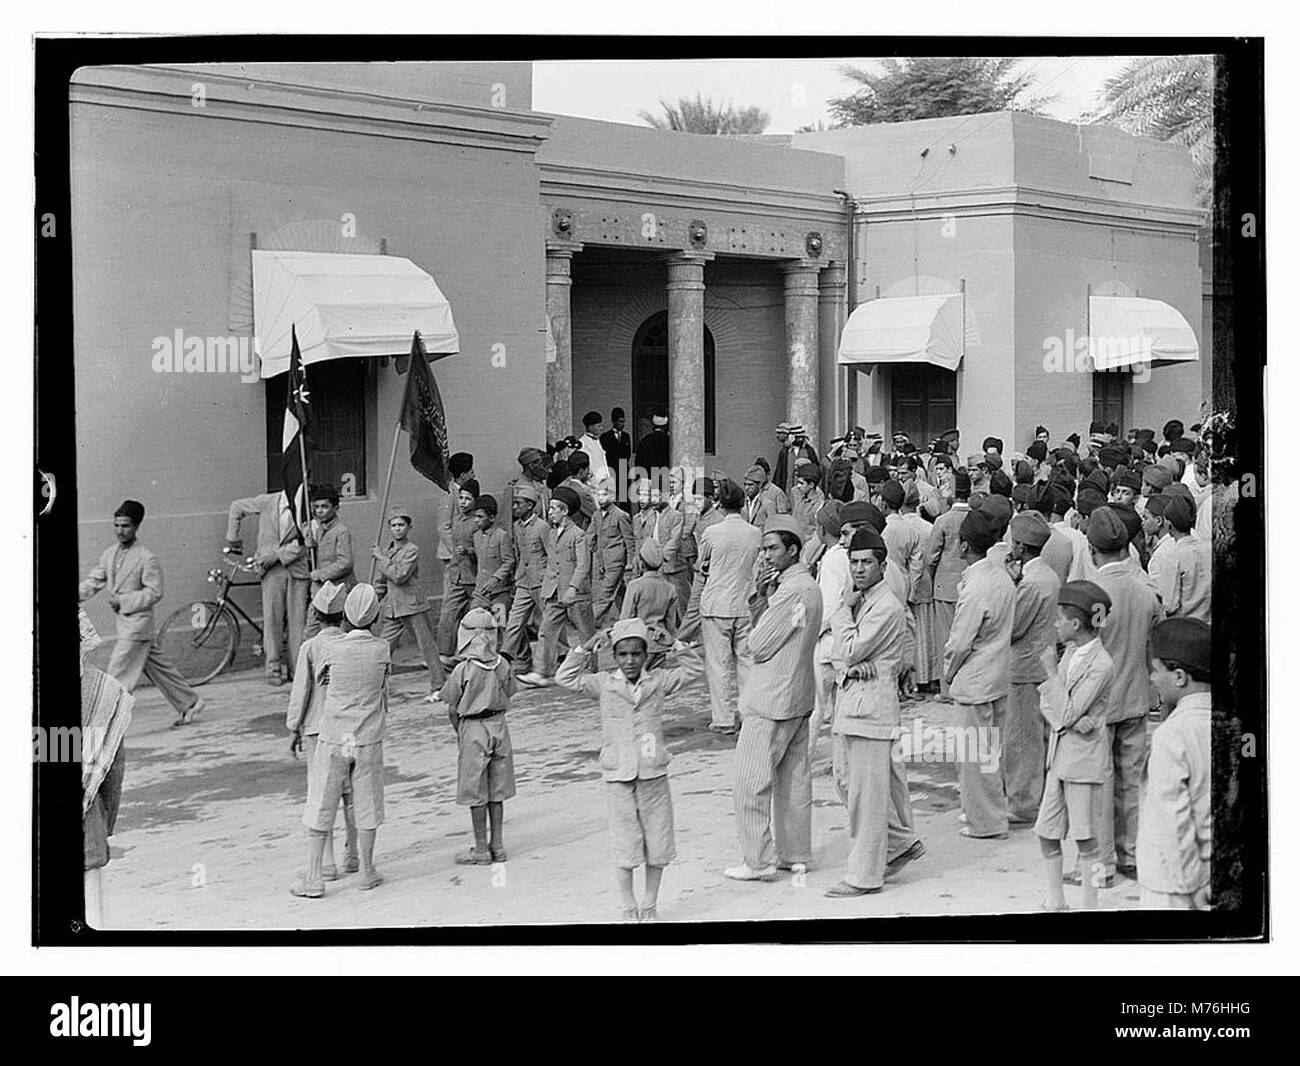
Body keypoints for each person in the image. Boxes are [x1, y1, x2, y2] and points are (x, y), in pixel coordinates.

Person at [556, 618, 704, 921]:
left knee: (658, 841)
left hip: (653, 773)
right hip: (618, 776)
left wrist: (674, 642)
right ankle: (628, 905)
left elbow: (696, 670)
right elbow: (565, 678)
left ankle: (649, 904)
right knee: (625, 844)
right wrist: (585, 647)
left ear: (646, 655)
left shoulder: (658, 681)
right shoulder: (604, 684)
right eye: (622, 654)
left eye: (636, 654)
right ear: (614, 656)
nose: (630, 661)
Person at [824, 526, 925, 897]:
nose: (859, 569)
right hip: (852, 703)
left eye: (867, 562)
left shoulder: (885, 605)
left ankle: (864, 875)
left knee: (864, 794)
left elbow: (848, 647)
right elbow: (843, 656)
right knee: (846, 781)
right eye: (854, 562)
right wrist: (847, 664)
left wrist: (842, 620)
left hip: (871, 711)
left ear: (883, 565)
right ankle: (899, 842)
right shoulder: (862, 601)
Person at [1069, 506, 1163, 888]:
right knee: (1131, 781)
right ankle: (1132, 856)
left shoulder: (1092, 596)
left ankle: (1099, 865)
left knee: (1095, 784)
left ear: (1092, 551)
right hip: (1137, 696)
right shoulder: (1145, 591)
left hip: (1098, 704)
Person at [725, 516, 823, 881]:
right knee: (794, 781)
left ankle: (758, 860)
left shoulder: (792, 590)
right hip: (798, 695)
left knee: (750, 782)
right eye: (764, 549)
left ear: (793, 549)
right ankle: (795, 853)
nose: (765, 556)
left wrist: (763, 602)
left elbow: (758, 645)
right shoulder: (805, 586)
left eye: (772, 549)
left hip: (772, 698)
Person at [291, 584, 390, 897]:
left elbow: (321, 681)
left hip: (335, 736)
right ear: (374, 618)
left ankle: (315, 875)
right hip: (367, 738)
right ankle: (366, 869)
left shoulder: (330, 649)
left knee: (322, 799)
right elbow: (385, 691)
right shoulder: (382, 649)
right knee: (366, 801)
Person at [80, 499, 205, 724]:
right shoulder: (110, 554)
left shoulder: (147, 558)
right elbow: (94, 580)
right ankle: (190, 703)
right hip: (127, 626)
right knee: (160, 669)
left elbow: (155, 593)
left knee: (118, 672)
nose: (120, 530)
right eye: (117, 525)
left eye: (126, 525)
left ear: (137, 527)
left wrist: (123, 601)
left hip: (137, 626)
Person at [1036, 580, 1115, 911]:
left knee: (1087, 839)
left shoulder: (1101, 664)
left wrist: (1052, 677)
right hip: (1060, 755)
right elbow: (1050, 707)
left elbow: (1064, 707)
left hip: (1083, 762)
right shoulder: (1070, 652)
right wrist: (1065, 719)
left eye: (1059, 619)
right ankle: (1056, 902)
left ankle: (1091, 906)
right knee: (1046, 832)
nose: (1055, 625)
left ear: (1076, 623)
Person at [942, 506, 1016, 839]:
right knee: (990, 753)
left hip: (974, 678)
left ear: (963, 545)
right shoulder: (1001, 576)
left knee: (973, 757)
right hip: (998, 673)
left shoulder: (976, 587)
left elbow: (959, 643)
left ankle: (984, 821)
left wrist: (948, 673)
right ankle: (990, 812)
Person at [1138, 618, 1212, 909]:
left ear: (1179, 676)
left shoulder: (1171, 734)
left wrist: (1191, 884)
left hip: (1173, 885)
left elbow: (1172, 818)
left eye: (1156, 671)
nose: (1152, 678)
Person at [286, 581, 356, 882]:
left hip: (318, 729)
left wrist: (294, 727)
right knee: (351, 792)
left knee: (321, 794)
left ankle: (326, 863)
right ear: (344, 615)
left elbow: (301, 691)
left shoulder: (310, 647)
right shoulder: (354, 644)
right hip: (351, 728)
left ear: (315, 613)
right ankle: (353, 853)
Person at [442, 607, 518, 865]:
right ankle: (498, 845)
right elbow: (510, 692)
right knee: (497, 790)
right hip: (499, 725)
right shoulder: (503, 665)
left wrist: (460, 734)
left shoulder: (462, 670)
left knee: (476, 791)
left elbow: (452, 707)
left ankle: (481, 848)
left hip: (472, 728)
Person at [1003, 511, 1061, 825]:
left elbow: (1012, 626)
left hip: (1023, 666)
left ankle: (1023, 802)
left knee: (1021, 738)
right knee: (1034, 736)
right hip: (1040, 662)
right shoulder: (1047, 575)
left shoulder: (1031, 583)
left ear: (1022, 547)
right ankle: (1030, 794)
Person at [225, 488, 309, 686]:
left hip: (296, 568)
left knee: (298, 621)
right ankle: (273, 668)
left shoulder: (307, 506)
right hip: (270, 571)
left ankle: (297, 670)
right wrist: (233, 539)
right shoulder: (267, 502)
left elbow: (308, 541)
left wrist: (278, 555)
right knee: (272, 619)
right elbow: (236, 507)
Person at [697, 479, 762, 735]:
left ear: (720, 505)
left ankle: (723, 718)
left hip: (716, 603)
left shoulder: (712, 533)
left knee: (718, 664)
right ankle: (748, 715)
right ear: (742, 503)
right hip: (745, 602)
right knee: (746, 662)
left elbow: (702, 564)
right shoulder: (755, 533)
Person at [519, 486, 593, 686]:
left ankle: (593, 671)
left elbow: (583, 565)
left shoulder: (578, 535)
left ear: (565, 511)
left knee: (586, 633)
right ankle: (541, 672)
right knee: (546, 630)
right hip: (554, 592)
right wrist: (546, 589)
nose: (549, 512)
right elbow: (552, 563)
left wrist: (573, 588)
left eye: (553, 508)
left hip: (575, 593)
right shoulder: (552, 534)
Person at [371, 505, 443, 701]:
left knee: (427, 646)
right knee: (382, 648)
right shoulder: (386, 551)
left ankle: (440, 685)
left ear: (409, 527)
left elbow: (399, 575)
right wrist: (371, 602)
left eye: (401, 525)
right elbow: (381, 581)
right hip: (393, 608)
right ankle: (373, 686)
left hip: (412, 605)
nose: (397, 528)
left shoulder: (412, 550)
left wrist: (380, 558)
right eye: (393, 525)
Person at [925, 470, 972, 701]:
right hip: (969, 581)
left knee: (946, 638)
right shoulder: (976, 517)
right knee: (968, 638)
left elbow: (930, 556)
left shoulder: (943, 520)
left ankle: (946, 689)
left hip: (944, 584)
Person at [501, 484, 549, 677]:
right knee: (513, 621)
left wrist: (550, 582)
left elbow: (551, 556)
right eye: (514, 504)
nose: (514, 508)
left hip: (542, 581)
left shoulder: (542, 527)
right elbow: (520, 554)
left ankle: (561, 656)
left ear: (529, 505)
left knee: (549, 622)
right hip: (523, 582)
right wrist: (516, 579)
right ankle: (504, 660)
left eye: (518, 504)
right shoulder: (517, 527)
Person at [1147, 494, 1211, 623]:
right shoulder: (1209, 548)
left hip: (1186, 627)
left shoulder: (1171, 556)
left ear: (1169, 524)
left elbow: (1169, 604)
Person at [302, 485, 355, 639]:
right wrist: (309, 544)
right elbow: (314, 560)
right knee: (310, 634)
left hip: (339, 590)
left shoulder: (341, 531)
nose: (320, 511)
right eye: (316, 507)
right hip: (320, 591)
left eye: (325, 507)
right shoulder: (317, 531)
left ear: (336, 508)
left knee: (340, 634)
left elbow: (345, 562)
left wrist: (320, 574)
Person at [437, 480, 480, 667]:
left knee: (477, 616)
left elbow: (485, 549)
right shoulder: (457, 521)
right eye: (461, 498)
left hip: (474, 575)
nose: (463, 502)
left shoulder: (478, 522)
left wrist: (470, 551)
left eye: (468, 498)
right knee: (448, 613)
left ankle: (476, 653)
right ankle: (444, 653)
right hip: (457, 574)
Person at [590, 474, 637, 629]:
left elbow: (629, 541)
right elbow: (591, 537)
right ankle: (629, 619)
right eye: (598, 494)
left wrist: (631, 564)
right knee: (619, 592)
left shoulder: (621, 515)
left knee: (605, 594)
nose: (600, 498)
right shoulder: (596, 516)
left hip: (617, 561)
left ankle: (592, 623)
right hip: (603, 560)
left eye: (604, 494)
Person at [470, 494, 515, 616]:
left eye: (480, 517)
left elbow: (509, 561)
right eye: (475, 516)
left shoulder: (502, 536)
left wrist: (496, 578)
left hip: (499, 593)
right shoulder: (476, 536)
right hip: (481, 593)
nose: (476, 520)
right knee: (474, 621)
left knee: (499, 625)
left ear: (491, 518)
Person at [599, 407, 632, 483]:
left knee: (624, 494)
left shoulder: (626, 436)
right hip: (611, 471)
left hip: (624, 471)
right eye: (620, 422)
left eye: (624, 421)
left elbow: (628, 454)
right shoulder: (605, 437)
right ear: (614, 422)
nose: (623, 424)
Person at [576, 410, 611, 481]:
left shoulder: (598, 441)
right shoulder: (582, 443)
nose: (601, 428)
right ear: (590, 427)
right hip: (592, 483)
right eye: (599, 426)